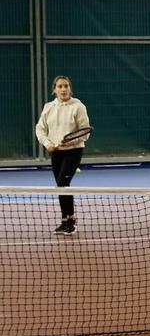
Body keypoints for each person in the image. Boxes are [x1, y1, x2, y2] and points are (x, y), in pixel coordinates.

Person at [35, 75, 91, 235]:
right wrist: (48, 143)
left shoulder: (78, 106)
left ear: (70, 88)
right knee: (60, 187)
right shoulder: (48, 107)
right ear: (54, 90)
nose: (63, 89)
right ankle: (65, 221)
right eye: (60, 86)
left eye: (66, 86)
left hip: (74, 151)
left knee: (62, 183)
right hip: (56, 153)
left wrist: (71, 142)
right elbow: (40, 129)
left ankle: (71, 221)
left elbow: (85, 131)